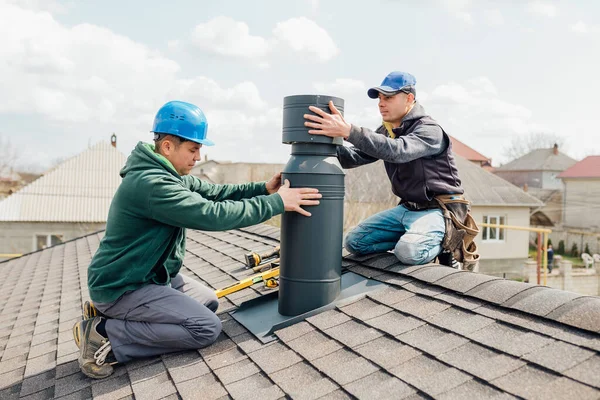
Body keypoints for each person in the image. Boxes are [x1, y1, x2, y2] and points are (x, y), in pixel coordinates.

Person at [72, 100, 322, 379]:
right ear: (168, 146)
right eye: (193, 149)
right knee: (205, 328)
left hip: (149, 278)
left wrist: (263, 189)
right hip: (124, 285)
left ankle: (113, 316)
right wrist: (277, 203)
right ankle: (105, 334)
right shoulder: (153, 185)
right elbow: (212, 214)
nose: (199, 156)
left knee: (209, 301)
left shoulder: (168, 173)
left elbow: (213, 193)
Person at [304, 71, 465, 266]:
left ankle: (446, 245)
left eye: (388, 97)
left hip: (439, 210)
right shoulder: (388, 130)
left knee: (409, 252)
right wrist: (319, 143)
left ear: (409, 98)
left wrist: (349, 131)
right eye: (380, 98)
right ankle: (414, 237)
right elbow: (354, 157)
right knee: (355, 243)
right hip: (408, 208)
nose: (381, 103)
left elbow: (398, 151)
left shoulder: (429, 130)